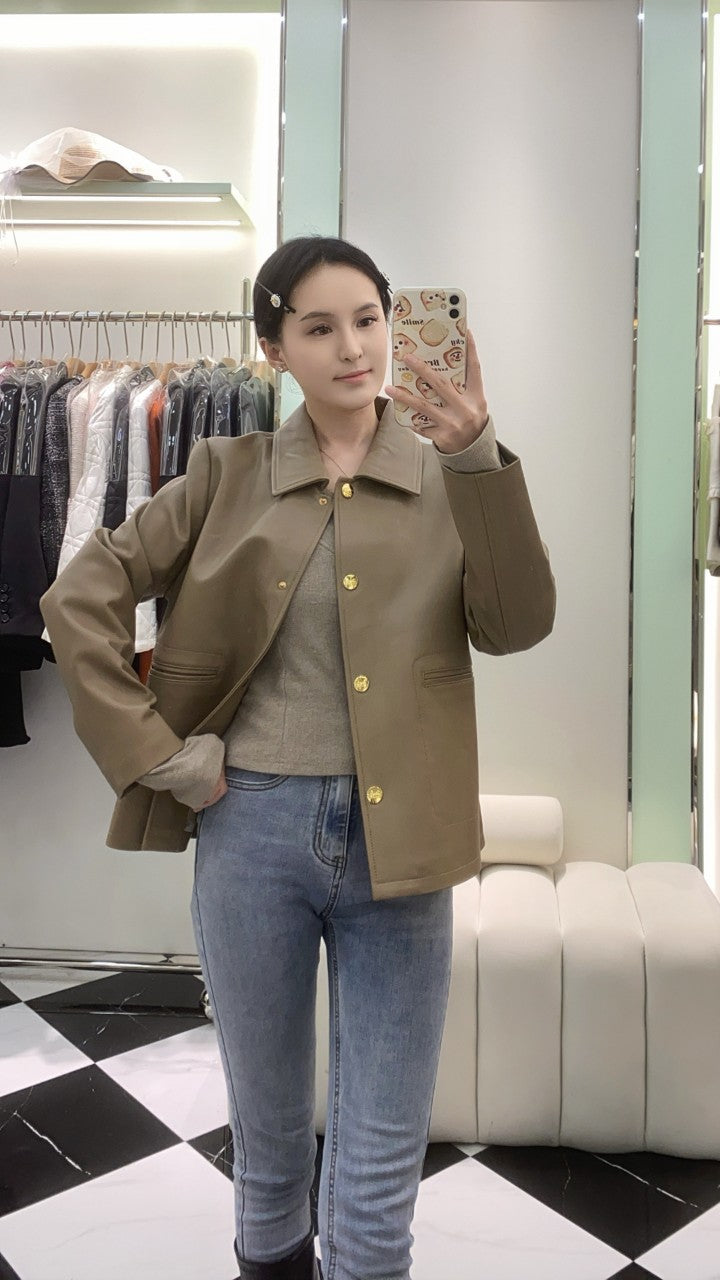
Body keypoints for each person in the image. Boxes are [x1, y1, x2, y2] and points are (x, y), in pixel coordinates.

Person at [40, 235, 556, 1280]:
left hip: (404, 844)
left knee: (380, 1159)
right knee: (271, 1145)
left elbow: (517, 624)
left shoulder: (452, 473)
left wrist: (478, 456)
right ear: (274, 350)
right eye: (319, 328)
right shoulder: (224, 473)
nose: (353, 348)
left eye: (367, 319)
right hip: (253, 832)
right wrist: (157, 754)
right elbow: (78, 596)